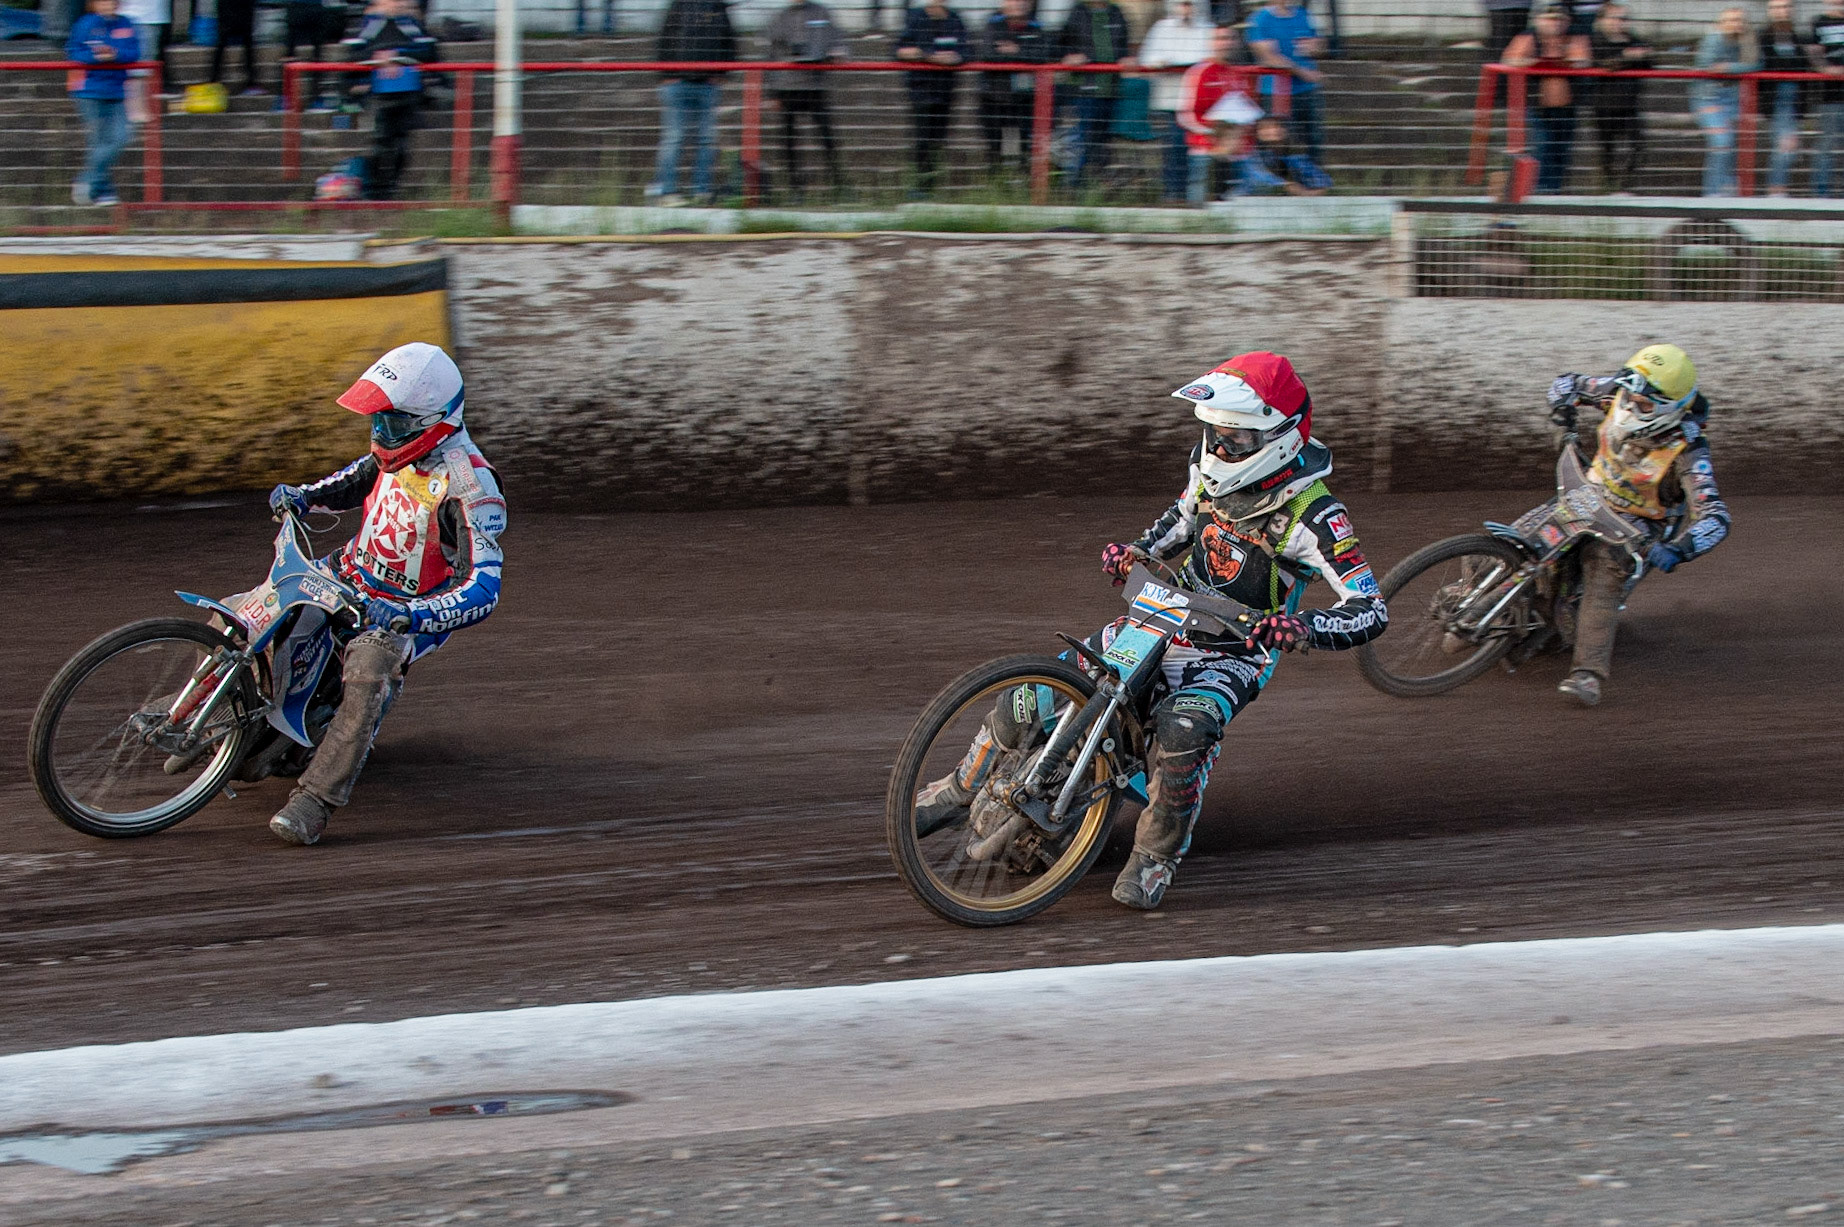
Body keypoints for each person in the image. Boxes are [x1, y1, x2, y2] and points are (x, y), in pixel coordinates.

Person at [914, 352, 1387, 910]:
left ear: (1277, 439)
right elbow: (1180, 521)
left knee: (1184, 730)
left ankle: (1155, 856)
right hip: (1161, 614)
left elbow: (1370, 607)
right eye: (1214, 433)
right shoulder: (1207, 470)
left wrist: (1302, 626)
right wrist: (1135, 551)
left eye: (1234, 439)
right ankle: (959, 785)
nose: (1219, 448)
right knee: (1034, 693)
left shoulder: (1316, 515)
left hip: (1232, 652)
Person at [266, 343, 506, 846]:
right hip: (346, 572)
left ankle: (315, 800)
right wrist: (305, 496)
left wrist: (406, 615)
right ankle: (188, 707)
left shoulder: (470, 486)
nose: (380, 436)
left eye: (392, 425)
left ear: (433, 422)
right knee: (255, 610)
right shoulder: (397, 450)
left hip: (401, 612)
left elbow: (484, 587)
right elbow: (357, 477)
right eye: (377, 422)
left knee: (369, 674)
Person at [1542, 345, 1729, 708]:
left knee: (1603, 573)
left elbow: (1716, 518)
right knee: (1526, 536)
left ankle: (1587, 674)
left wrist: (1679, 549)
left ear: (1671, 408)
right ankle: (1468, 595)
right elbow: (1566, 383)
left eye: (1643, 405)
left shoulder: (1689, 452)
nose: (1628, 406)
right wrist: (1562, 406)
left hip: (1638, 525)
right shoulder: (1620, 389)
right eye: (1628, 396)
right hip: (1587, 493)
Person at [343, 0, 439, 201]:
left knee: (402, 146)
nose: (395, 4)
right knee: (381, 143)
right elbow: (353, 55)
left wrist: (398, 56)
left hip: (408, 93)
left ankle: (391, 187)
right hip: (380, 94)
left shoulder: (410, 24)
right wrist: (379, 57)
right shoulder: (370, 25)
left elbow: (429, 52)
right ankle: (377, 189)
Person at [649, 0, 738, 205]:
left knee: (705, 140)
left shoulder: (718, 8)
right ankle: (667, 192)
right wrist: (665, 74)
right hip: (678, 83)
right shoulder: (678, 5)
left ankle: (702, 191)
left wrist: (722, 73)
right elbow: (665, 38)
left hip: (707, 84)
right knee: (674, 138)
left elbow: (729, 41)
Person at [1503, 4, 1590, 194]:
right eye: (1550, 19)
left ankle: (1554, 190)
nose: (1555, 24)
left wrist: (1564, 61)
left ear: (1567, 21)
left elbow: (1582, 60)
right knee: (1543, 146)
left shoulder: (1575, 36)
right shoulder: (1528, 37)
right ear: (1538, 20)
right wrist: (1534, 62)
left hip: (1567, 106)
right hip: (1538, 106)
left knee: (1562, 150)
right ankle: (1539, 189)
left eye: (1559, 19)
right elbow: (1510, 60)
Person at [765, 0, 847, 198]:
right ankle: (796, 188)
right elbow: (770, 56)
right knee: (789, 140)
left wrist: (837, 53)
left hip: (815, 85)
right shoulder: (780, 18)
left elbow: (838, 43)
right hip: (787, 87)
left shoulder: (822, 13)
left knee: (827, 137)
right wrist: (773, 93)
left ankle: (839, 184)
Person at [66, 0, 141, 206]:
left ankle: (87, 180)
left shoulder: (126, 23)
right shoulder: (85, 24)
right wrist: (96, 56)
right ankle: (103, 191)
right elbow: (74, 52)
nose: (108, 4)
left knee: (122, 137)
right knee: (98, 141)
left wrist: (115, 55)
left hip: (117, 90)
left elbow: (134, 52)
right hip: (89, 91)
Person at [1138, 0, 1214, 203]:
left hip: (1200, 101)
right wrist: (1161, 62)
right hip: (1171, 99)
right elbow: (1147, 57)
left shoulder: (1207, 29)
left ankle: (1198, 195)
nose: (1186, 9)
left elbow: (1211, 59)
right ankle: (1173, 193)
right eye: (1183, 4)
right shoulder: (1161, 28)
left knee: (1200, 148)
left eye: (1190, 4)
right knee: (1174, 147)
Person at [895, 0, 970, 196]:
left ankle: (930, 185)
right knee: (922, 138)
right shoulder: (915, 16)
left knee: (938, 139)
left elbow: (964, 51)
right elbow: (901, 50)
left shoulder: (955, 19)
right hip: (921, 88)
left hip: (945, 90)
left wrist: (955, 58)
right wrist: (929, 57)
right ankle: (920, 185)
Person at [1059, 0, 1135, 189]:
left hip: (1111, 88)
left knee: (1102, 140)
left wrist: (1126, 58)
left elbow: (1123, 46)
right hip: (1085, 88)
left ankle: (1094, 187)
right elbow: (1060, 45)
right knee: (1086, 138)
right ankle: (1073, 186)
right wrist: (1069, 56)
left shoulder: (1116, 12)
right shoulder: (1077, 12)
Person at [1176, 22, 1254, 203]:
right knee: (1200, 203)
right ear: (1210, 42)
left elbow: (1245, 111)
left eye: (1230, 38)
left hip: (1236, 150)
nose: (1225, 43)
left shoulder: (1237, 74)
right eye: (1220, 38)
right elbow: (1185, 115)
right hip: (1206, 147)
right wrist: (1215, 133)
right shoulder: (1199, 72)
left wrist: (1239, 135)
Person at [1247, 0, 1325, 168]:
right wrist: (1302, 72)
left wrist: (1316, 47)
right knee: (1278, 140)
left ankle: (1314, 181)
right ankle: (1280, 182)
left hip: (1307, 89)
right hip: (1276, 91)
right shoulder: (1260, 18)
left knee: (1314, 138)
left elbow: (1317, 45)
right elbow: (1269, 57)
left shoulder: (1302, 14)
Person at [1692, 7, 1761, 197]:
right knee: (1722, 143)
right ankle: (1712, 195)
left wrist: (1730, 67)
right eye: (1730, 20)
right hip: (1708, 99)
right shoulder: (1714, 39)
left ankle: (1726, 191)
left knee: (1728, 146)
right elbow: (1707, 65)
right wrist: (1739, 68)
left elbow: (1757, 64)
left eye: (1739, 20)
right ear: (1721, 23)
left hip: (1732, 99)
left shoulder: (1747, 40)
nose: (1735, 24)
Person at [977, 0, 1049, 175]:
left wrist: (1015, 51)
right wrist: (1022, 55)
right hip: (993, 96)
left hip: (1021, 98)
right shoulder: (993, 24)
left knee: (1018, 143)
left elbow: (1042, 56)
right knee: (995, 144)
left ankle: (1015, 183)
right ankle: (996, 185)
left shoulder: (1035, 27)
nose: (1019, 4)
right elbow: (987, 54)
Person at [1588, 3, 1650, 193]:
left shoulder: (1633, 39)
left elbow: (1650, 60)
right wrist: (1627, 56)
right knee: (1607, 151)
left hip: (1630, 105)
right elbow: (1606, 64)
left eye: (1623, 19)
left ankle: (1625, 184)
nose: (1619, 23)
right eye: (1614, 18)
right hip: (1604, 106)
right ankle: (1607, 187)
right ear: (1602, 20)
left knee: (1639, 145)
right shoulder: (1596, 40)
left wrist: (1637, 56)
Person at [1762, 0, 1810, 196]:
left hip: (1794, 100)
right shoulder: (1764, 37)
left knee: (1789, 145)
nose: (1782, 12)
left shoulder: (1796, 37)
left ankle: (1777, 189)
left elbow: (1803, 64)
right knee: (1786, 144)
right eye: (1777, 8)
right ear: (1770, 11)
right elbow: (1766, 64)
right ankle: (1776, 190)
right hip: (1775, 99)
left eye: (1786, 7)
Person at [1235, 112, 1331, 193]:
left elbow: (1322, 180)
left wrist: (1308, 194)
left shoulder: (1294, 157)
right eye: (1263, 127)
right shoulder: (1251, 155)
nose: (1270, 131)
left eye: (1275, 126)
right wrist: (1285, 185)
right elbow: (1257, 179)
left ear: (1284, 130)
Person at [286, 0, 353, 111]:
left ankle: (316, 97)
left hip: (316, 9)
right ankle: (286, 98)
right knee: (290, 55)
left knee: (318, 57)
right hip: (296, 8)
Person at [1814, 0, 1844, 195]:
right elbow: (1813, 54)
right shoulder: (1819, 22)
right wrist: (1825, 69)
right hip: (1830, 95)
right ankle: (1822, 193)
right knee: (1827, 144)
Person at [1482, 0, 1533, 109]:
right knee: (1503, 46)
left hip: (1519, 5)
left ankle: (1511, 93)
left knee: (1518, 48)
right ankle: (1500, 94)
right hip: (1502, 5)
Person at [210, 0, 261, 95]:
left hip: (234, 11)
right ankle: (251, 82)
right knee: (247, 44)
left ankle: (214, 80)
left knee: (225, 44)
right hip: (237, 11)